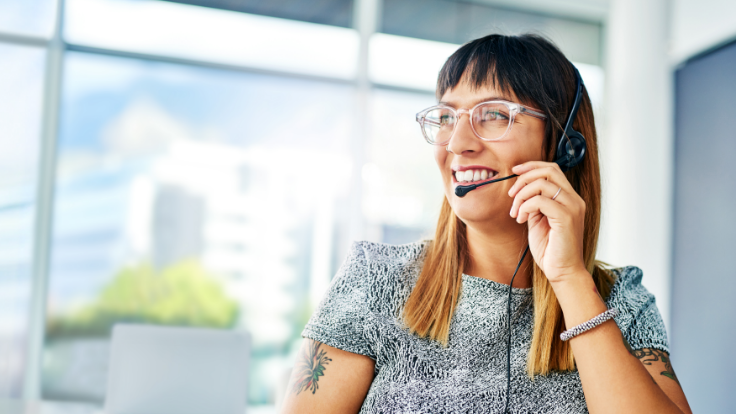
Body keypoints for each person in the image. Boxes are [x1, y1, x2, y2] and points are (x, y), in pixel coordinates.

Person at [281, 34, 693, 413]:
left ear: (564, 146)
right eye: (446, 117)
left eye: (493, 114)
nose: (458, 143)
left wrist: (570, 281)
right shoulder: (375, 281)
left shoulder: (621, 300)